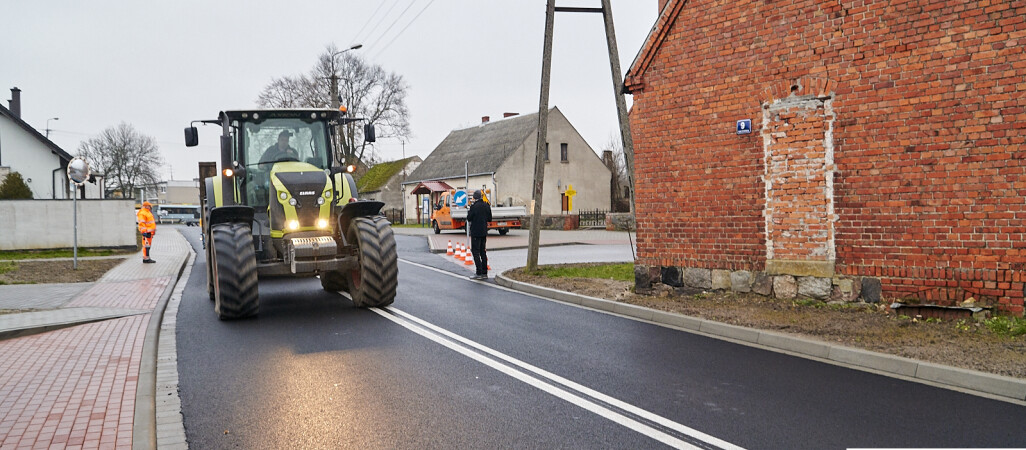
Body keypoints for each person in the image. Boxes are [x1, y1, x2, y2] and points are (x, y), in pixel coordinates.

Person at [466, 190, 492, 280]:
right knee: (482, 251)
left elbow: (469, 218)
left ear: (474, 197)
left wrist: (469, 210)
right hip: (484, 231)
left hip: (476, 232)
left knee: (475, 252)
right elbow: (490, 218)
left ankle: (479, 272)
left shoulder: (474, 207)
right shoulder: (486, 205)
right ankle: (485, 272)